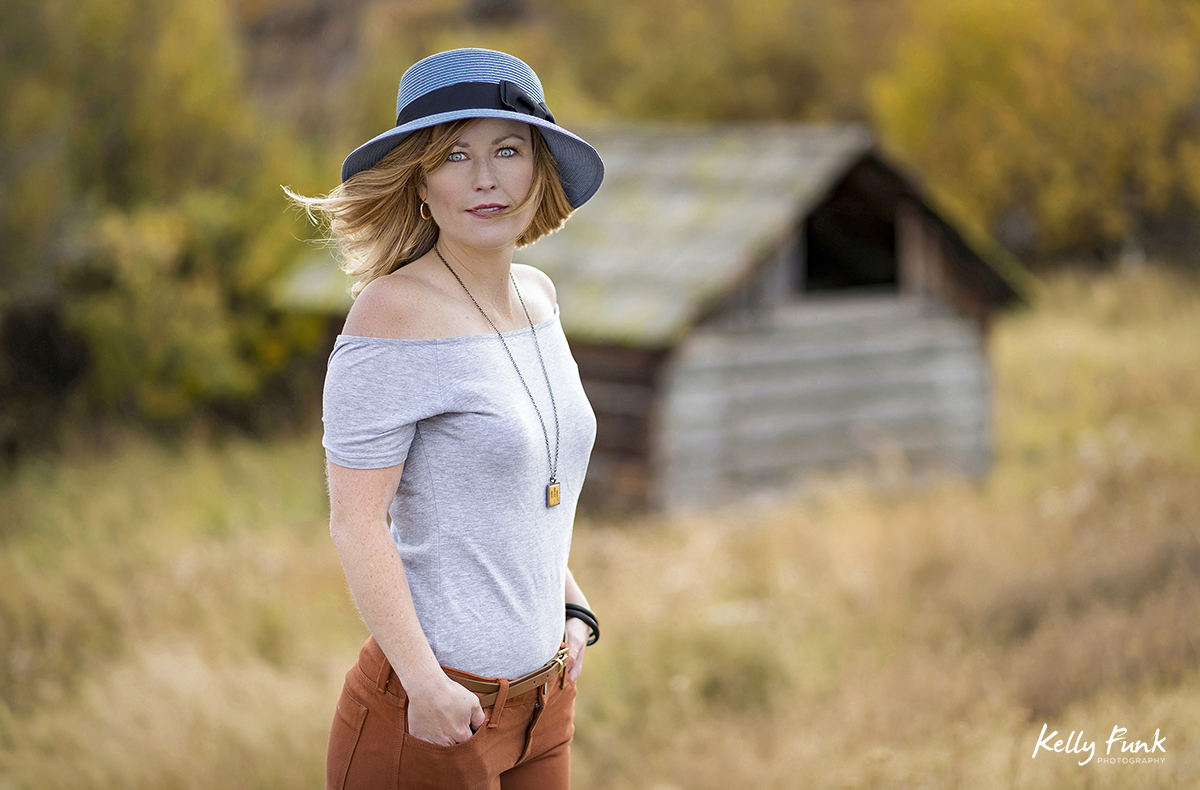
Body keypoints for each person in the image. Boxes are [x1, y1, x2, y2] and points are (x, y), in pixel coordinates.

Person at [288, 48, 604, 789]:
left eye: (508, 149)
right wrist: (426, 685)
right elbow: (356, 522)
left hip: (544, 703)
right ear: (421, 180)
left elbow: (521, 484)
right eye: (455, 154)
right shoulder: (391, 314)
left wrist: (571, 601)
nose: (486, 178)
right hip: (432, 711)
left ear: (540, 169)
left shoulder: (539, 296)